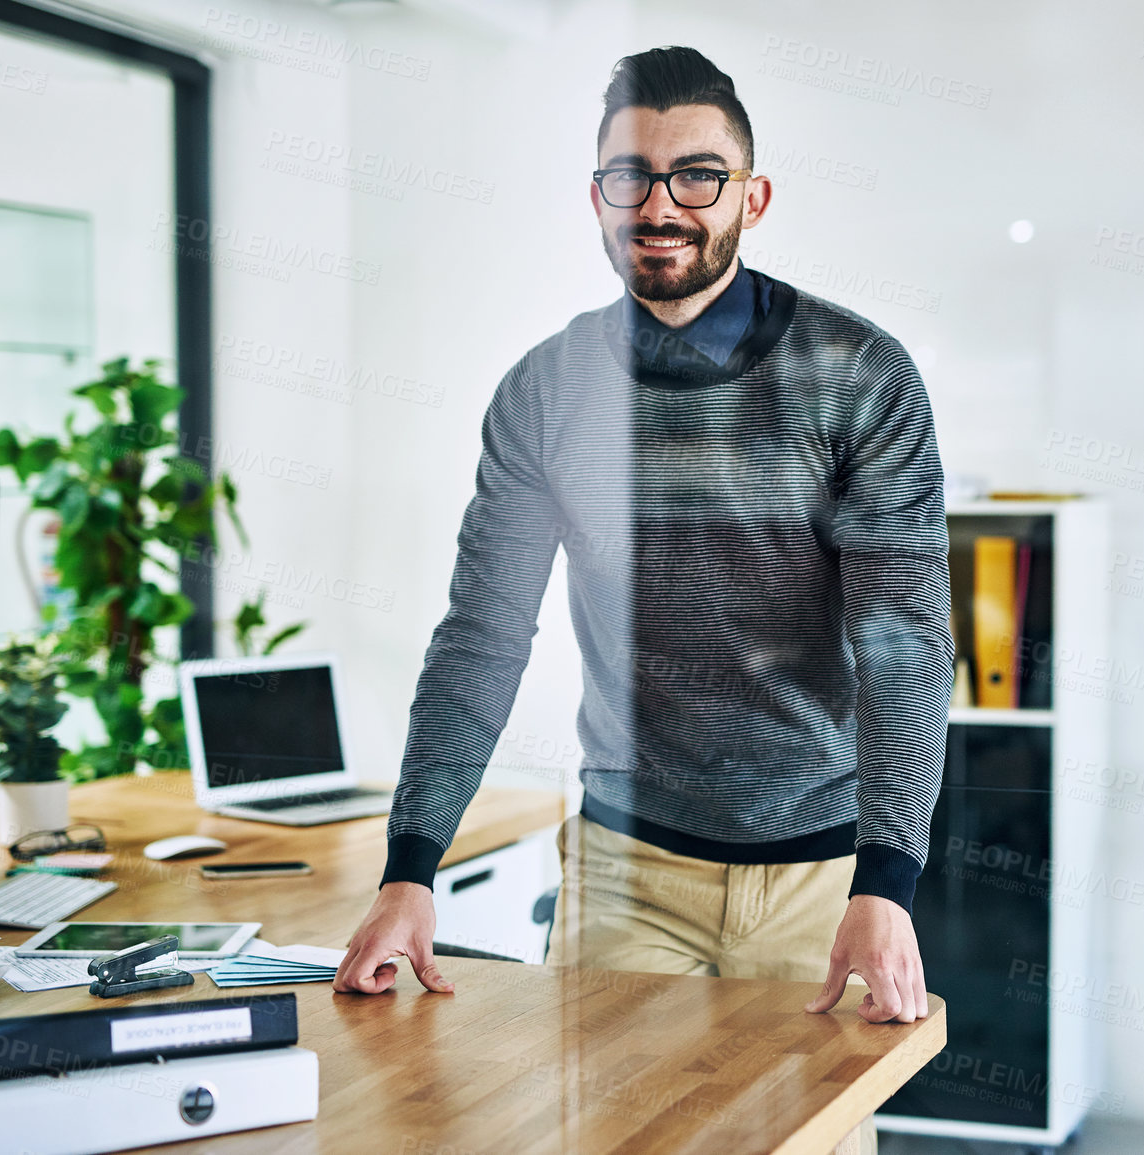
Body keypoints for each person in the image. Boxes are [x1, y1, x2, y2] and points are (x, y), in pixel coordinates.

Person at [335, 41, 950, 1076]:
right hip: (627, 869)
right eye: (633, 176)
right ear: (599, 196)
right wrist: (411, 869)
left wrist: (885, 882)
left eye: (697, 175)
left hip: (819, 876)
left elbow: (903, 648)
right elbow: (484, 634)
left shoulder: (858, 376)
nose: (662, 204)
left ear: (752, 199)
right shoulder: (545, 391)